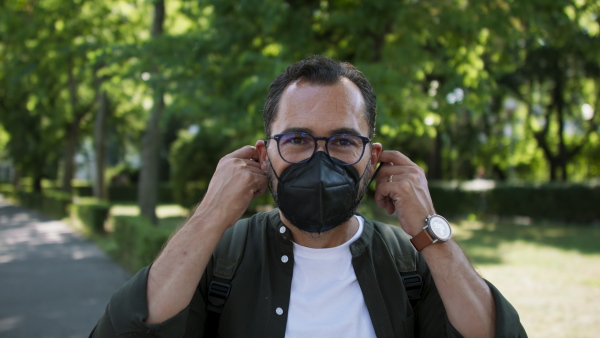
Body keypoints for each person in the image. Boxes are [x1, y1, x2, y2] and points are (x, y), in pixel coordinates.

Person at [90, 56, 527, 337]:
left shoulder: (410, 262)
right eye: (297, 139)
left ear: (372, 159)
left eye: (342, 141)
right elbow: (124, 330)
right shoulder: (223, 259)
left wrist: (430, 230)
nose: (320, 162)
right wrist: (209, 216)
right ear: (264, 155)